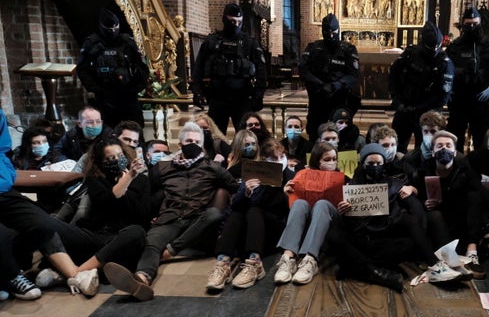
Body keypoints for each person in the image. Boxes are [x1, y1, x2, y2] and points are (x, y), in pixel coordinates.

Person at [103, 121, 239, 301]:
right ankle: (142, 279)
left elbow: (234, 187)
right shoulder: (163, 168)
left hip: (198, 219)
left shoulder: (212, 168)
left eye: (197, 142)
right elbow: (148, 193)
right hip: (170, 217)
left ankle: (169, 252)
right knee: (152, 241)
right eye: (189, 141)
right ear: (180, 144)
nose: (193, 145)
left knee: (214, 214)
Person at [35, 137, 151, 297]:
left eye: (119, 156)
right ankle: (85, 273)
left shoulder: (142, 181)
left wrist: (129, 180)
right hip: (95, 235)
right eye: (110, 158)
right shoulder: (96, 180)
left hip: (120, 238)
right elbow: (107, 203)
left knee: (136, 232)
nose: (117, 160)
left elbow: (143, 215)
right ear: (101, 161)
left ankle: (74, 273)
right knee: (43, 224)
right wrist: (126, 179)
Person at [327, 143, 443, 291]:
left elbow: (413, 206)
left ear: (384, 164)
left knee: (409, 240)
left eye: (378, 163)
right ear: (363, 164)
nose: (375, 166)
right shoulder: (351, 186)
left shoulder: (394, 184)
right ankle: (376, 272)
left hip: (383, 241)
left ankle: (362, 268)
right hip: (361, 240)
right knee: (333, 235)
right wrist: (343, 211)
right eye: (370, 163)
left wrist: (412, 189)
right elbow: (346, 226)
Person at [206, 138, 295, 291]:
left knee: (254, 210)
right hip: (250, 232)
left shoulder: (290, 176)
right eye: (273, 158)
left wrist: (285, 195)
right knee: (238, 212)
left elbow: (291, 213)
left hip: (274, 231)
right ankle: (223, 263)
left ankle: (255, 264)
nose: (279, 161)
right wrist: (247, 191)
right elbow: (235, 206)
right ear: (265, 159)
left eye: (281, 156)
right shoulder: (254, 174)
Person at [412, 130, 489, 277]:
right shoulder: (424, 171)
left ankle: (472, 251)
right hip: (437, 222)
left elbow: (481, 193)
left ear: (455, 152)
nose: (444, 149)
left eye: (448, 145)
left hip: (460, 219)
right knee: (434, 215)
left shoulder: (464, 169)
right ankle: (451, 260)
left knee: (474, 197)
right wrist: (424, 202)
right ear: (432, 151)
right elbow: (416, 197)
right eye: (439, 145)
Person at [274, 141, 348, 286]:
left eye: (334, 159)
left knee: (322, 204)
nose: (332, 162)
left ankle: (310, 260)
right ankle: (288, 258)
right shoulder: (303, 175)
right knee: (300, 203)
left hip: (332, 223)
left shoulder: (344, 178)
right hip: (308, 223)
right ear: (316, 161)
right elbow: (293, 204)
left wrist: (347, 204)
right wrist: (287, 194)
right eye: (327, 160)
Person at [445, 6, 489, 153]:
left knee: (482, 143)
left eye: (475, 23)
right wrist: (447, 91)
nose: (471, 27)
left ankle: (479, 172)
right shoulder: (454, 46)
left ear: (480, 23)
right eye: (468, 24)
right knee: (454, 141)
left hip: (480, 99)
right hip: (458, 100)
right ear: (463, 24)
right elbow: (444, 70)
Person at [0, 108, 55, 300]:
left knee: (44, 225)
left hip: (3, 188)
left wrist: (7, 173)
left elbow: (3, 148)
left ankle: (5, 272)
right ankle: (12, 276)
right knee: (2, 235)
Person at [190, 3, 267, 135]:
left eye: (239, 22)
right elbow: (198, 67)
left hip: (242, 99)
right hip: (217, 98)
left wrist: (258, 95)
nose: (236, 25)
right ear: (224, 20)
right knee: (216, 137)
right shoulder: (212, 41)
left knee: (245, 138)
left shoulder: (249, 43)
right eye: (232, 21)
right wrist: (197, 91)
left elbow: (261, 71)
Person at [76, 8, 149, 128]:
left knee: (135, 129)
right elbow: (82, 70)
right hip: (104, 97)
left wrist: (136, 88)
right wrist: (96, 89)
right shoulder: (92, 43)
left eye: (115, 28)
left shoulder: (127, 42)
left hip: (127, 95)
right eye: (109, 29)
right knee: (106, 133)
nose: (113, 31)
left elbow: (142, 68)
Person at [388, 21, 454, 153]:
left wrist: (418, 108)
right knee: (396, 147)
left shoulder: (444, 63)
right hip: (405, 107)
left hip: (429, 113)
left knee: (425, 150)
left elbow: (443, 96)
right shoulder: (410, 53)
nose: (434, 50)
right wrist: (396, 99)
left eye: (437, 46)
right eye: (430, 46)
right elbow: (393, 75)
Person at [299, 13, 360, 143]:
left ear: (338, 29)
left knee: (342, 135)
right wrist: (320, 85)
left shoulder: (348, 49)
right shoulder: (313, 48)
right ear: (323, 30)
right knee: (315, 134)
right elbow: (303, 70)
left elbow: (353, 74)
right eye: (327, 32)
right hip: (318, 99)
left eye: (334, 32)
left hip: (339, 99)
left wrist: (335, 85)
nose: (331, 35)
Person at [12, 126, 65, 212]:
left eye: (44, 141)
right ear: (28, 145)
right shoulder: (17, 157)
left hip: (48, 200)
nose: (41, 145)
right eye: (36, 142)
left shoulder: (55, 157)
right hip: (22, 198)